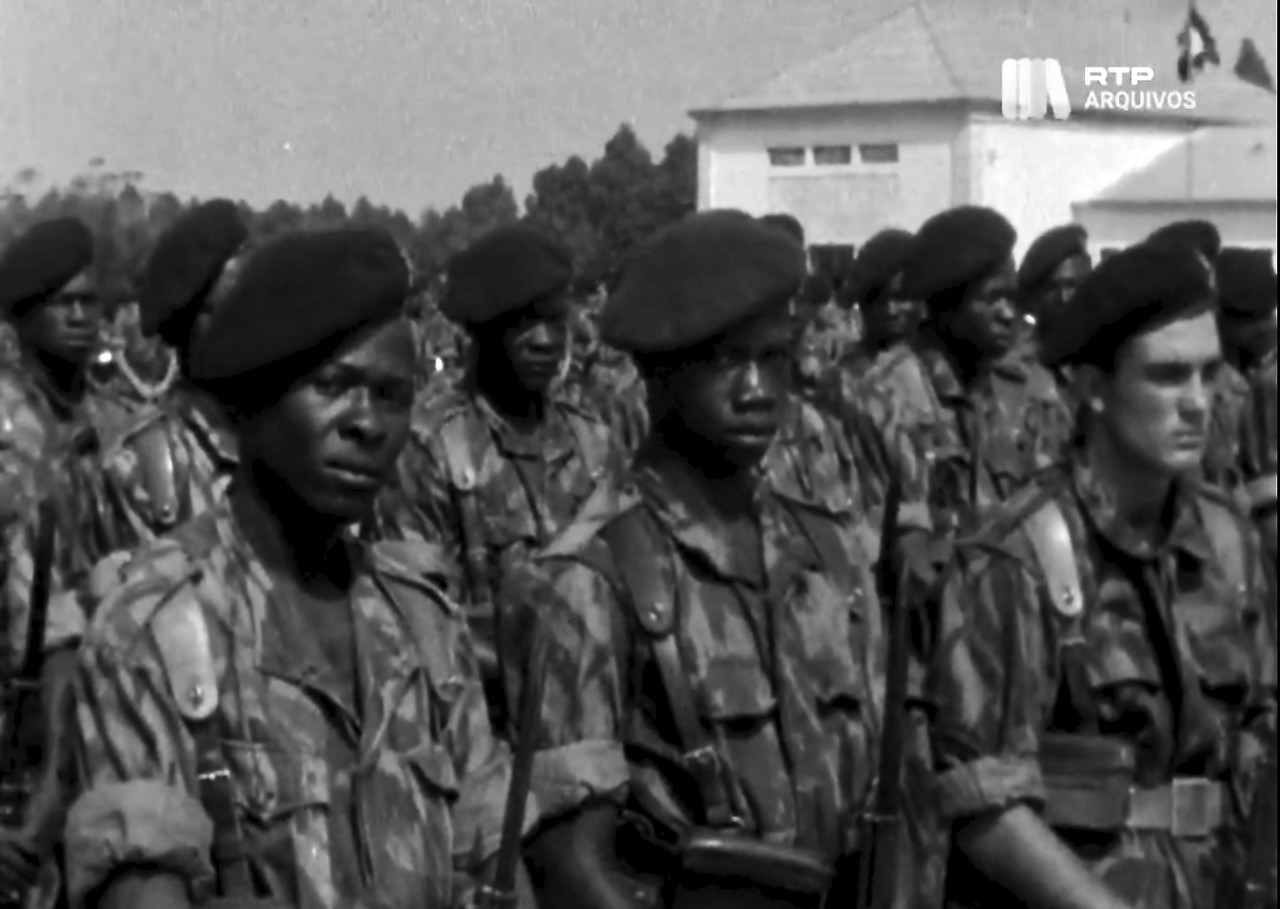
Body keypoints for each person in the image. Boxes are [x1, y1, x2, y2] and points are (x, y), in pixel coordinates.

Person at [65, 227, 530, 909]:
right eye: (332, 386)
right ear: (251, 400)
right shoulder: (156, 633)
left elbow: (494, 865)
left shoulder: (424, 621)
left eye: (392, 395)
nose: (367, 424)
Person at [505, 210, 940, 909]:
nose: (757, 389)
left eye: (772, 357)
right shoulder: (590, 580)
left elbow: (895, 792)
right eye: (726, 361)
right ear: (657, 372)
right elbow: (570, 862)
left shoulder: (832, 552)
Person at [927, 240, 1276, 909]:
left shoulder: (1227, 538)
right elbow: (985, 802)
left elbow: (1261, 733)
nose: (1199, 402)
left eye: (1209, 373)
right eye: (1168, 376)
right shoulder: (1019, 555)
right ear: (1091, 388)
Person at [384, 223, 618, 733]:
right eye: (524, 324)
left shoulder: (592, 443)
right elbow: (421, 625)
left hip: (597, 732)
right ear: (484, 331)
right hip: (484, 732)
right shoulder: (431, 447)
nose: (546, 341)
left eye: (555, 320)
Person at [0, 218, 127, 909]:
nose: (82, 318)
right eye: (62, 303)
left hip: (109, 701)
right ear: (22, 318)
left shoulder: (117, 426)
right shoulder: (8, 430)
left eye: (90, 301)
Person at [853, 206, 1073, 540]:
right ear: (945, 307)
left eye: (1011, 298)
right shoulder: (884, 399)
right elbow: (871, 536)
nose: (1008, 314)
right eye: (992, 299)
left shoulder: (1030, 387)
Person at [94, 199, 245, 553]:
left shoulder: (292, 443)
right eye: (228, 310)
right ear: (185, 326)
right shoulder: (141, 465)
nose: (252, 323)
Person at [1014, 223, 1092, 392]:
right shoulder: (1017, 366)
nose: (1064, 298)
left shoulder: (1110, 357)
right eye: (1052, 288)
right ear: (1033, 298)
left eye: (1072, 286)